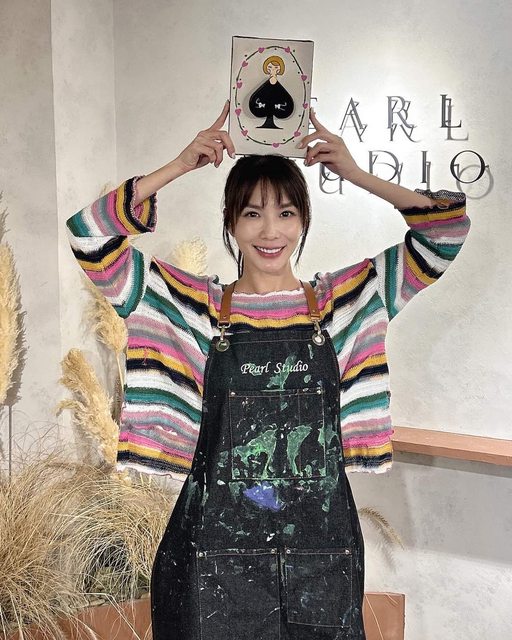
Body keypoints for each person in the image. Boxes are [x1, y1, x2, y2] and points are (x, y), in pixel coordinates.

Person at [66, 100, 470, 639]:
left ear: (303, 221)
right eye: (252, 213)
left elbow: (445, 233)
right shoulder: (192, 308)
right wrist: (180, 166)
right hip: (212, 559)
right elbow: (89, 236)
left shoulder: (347, 302)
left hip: (320, 558)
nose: (270, 230)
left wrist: (356, 174)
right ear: (231, 224)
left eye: (286, 212)